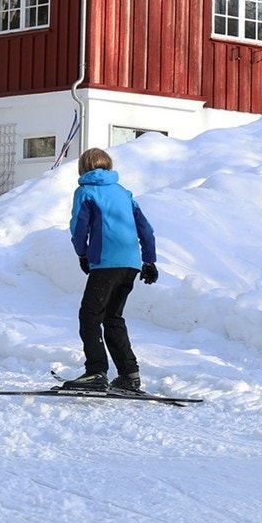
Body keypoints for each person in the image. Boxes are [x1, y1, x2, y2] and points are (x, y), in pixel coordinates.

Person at [63, 147, 158, 393]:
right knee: (112, 317)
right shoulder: (124, 193)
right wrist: (149, 261)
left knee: (90, 316)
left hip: (106, 262)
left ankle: (96, 372)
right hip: (130, 264)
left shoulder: (85, 191)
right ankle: (129, 375)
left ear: (83, 167)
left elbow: (78, 227)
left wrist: (82, 254)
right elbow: (145, 228)